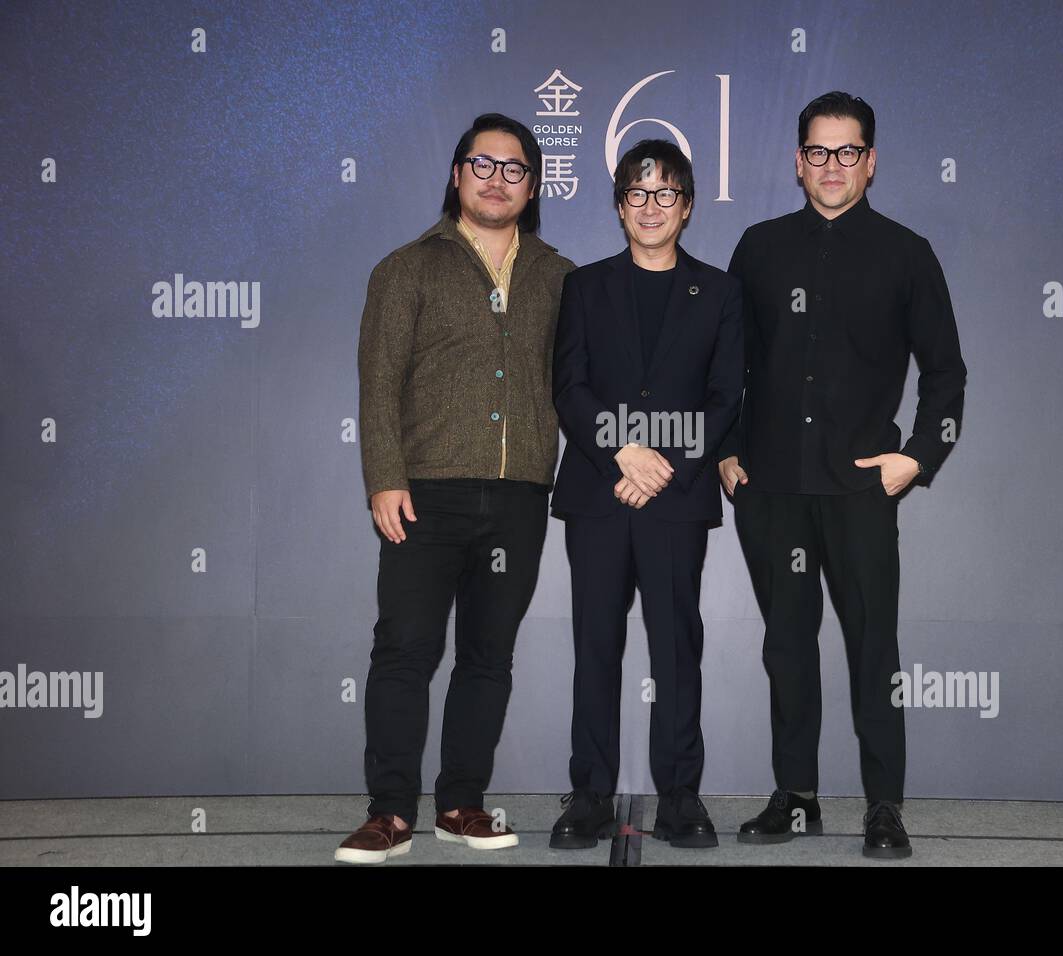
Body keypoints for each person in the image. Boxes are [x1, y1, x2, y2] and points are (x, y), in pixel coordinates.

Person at [719, 92, 967, 858]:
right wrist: (727, 453)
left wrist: (917, 457)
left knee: (873, 649)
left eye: (848, 151)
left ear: (871, 160)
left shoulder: (906, 252)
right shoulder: (758, 248)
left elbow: (947, 372)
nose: (833, 166)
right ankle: (795, 799)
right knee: (787, 646)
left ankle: (884, 806)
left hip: (861, 489)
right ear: (798, 163)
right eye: (819, 153)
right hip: (772, 490)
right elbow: (729, 364)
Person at [336, 113, 575, 863]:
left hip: (519, 497)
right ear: (456, 173)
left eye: (513, 168)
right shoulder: (405, 268)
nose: (497, 178)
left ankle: (463, 803)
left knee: (488, 657)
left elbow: (580, 383)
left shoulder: (560, 277)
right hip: (424, 495)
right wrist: (384, 477)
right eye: (483, 163)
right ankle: (391, 813)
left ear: (532, 186)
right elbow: (379, 385)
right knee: (404, 651)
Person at [548, 139, 743, 849]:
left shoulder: (720, 291)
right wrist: (623, 452)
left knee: (675, 649)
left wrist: (666, 464)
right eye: (638, 193)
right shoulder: (584, 287)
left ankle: (680, 798)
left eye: (666, 194)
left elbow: (726, 396)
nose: (652, 206)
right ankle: (590, 796)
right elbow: (569, 387)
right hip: (600, 494)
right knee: (596, 646)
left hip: (676, 497)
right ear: (618, 207)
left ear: (687, 207)